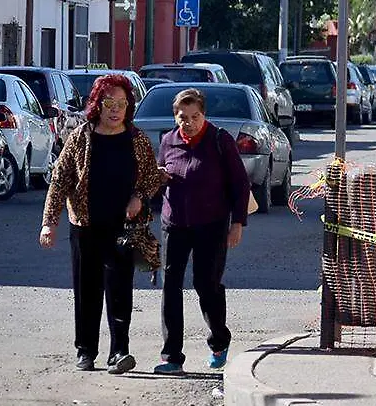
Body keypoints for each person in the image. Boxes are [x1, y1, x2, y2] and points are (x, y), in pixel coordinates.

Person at [39, 74, 168, 375]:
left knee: (120, 288)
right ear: (98, 104)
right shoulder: (81, 137)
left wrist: (139, 196)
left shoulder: (136, 139)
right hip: (84, 224)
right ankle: (86, 350)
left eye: (122, 104)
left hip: (123, 227)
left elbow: (151, 176)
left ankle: (119, 351)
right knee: (87, 288)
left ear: (128, 106)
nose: (115, 110)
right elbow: (59, 181)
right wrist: (49, 222)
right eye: (109, 103)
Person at [154, 88, 251, 375]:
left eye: (195, 117)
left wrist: (237, 223)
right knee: (170, 286)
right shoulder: (168, 141)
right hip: (175, 223)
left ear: (204, 115)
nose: (189, 123)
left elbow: (240, 185)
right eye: (183, 117)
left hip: (211, 223)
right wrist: (159, 178)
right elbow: (161, 177)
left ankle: (219, 342)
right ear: (175, 117)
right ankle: (171, 355)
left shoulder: (219, 140)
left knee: (206, 284)